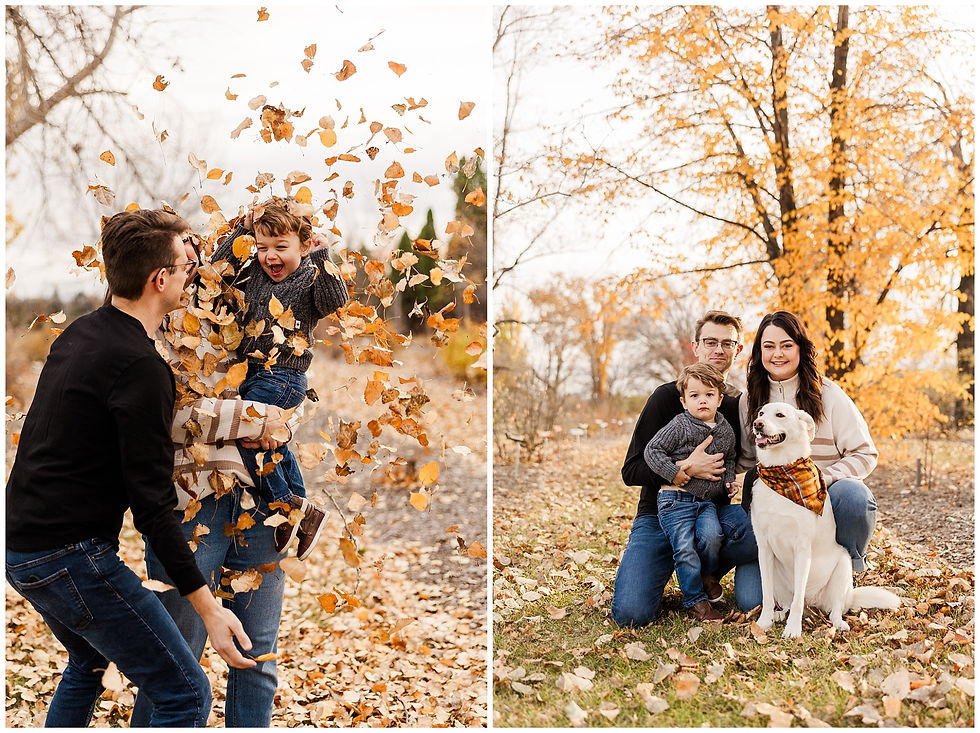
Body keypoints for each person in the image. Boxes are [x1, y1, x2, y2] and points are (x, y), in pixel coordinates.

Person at [5, 209, 254, 728]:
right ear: (160, 279)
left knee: (88, 663)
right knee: (187, 695)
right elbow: (152, 509)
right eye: (186, 268)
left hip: (21, 547)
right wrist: (209, 610)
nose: (191, 276)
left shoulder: (81, 334)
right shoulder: (142, 367)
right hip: (69, 557)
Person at [131, 222, 307, 727]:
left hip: (262, 499)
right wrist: (255, 419)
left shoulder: (240, 309)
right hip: (191, 506)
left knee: (258, 657)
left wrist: (279, 423)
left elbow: (288, 387)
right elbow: (168, 418)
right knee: (176, 658)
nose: (196, 263)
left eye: (198, 252)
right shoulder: (144, 329)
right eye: (183, 256)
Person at [213, 197, 349, 559]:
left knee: (248, 434)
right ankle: (303, 513)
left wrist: (322, 256)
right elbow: (219, 271)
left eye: (280, 247)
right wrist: (241, 230)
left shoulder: (309, 276)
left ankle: (287, 506)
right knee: (271, 444)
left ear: (303, 246)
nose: (270, 256)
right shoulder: (255, 274)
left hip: (284, 375)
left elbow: (335, 300)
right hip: (254, 374)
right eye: (262, 247)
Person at [612, 310, 760, 627]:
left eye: (727, 343)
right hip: (659, 514)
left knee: (760, 528)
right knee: (631, 614)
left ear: (738, 350)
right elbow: (631, 469)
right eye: (710, 342)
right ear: (695, 347)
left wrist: (731, 480)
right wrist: (686, 468)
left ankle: (702, 573)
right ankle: (677, 565)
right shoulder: (668, 398)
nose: (718, 350)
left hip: (710, 512)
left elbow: (736, 458)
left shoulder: (736, 405)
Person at [736, 310, 879, 608]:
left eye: (787, 345)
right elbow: (747, 458)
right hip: (775, 507)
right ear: (759, 352)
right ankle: (787, 580)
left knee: (854, 496)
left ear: (801, 348)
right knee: (750, 600)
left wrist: (823, 478)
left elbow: (865, 453)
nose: (777, 354)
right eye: (769, 346)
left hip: (822, 504)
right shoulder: (750, 400)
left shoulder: (828, 394)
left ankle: (842, 576)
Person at [644, 363, 737, 621]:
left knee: (712, 537)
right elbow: (652, 450)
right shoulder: (680, 425)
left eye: (709, 394)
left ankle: (706, 576)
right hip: (675, 500)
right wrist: (674, 472)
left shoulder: (725, 429)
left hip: (705, 502)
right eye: (694, 395)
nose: (702, 400)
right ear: (684, 402)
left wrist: (729, 480)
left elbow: (729, 458)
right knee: (685, 549)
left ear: (719, 399)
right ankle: (695, 601)